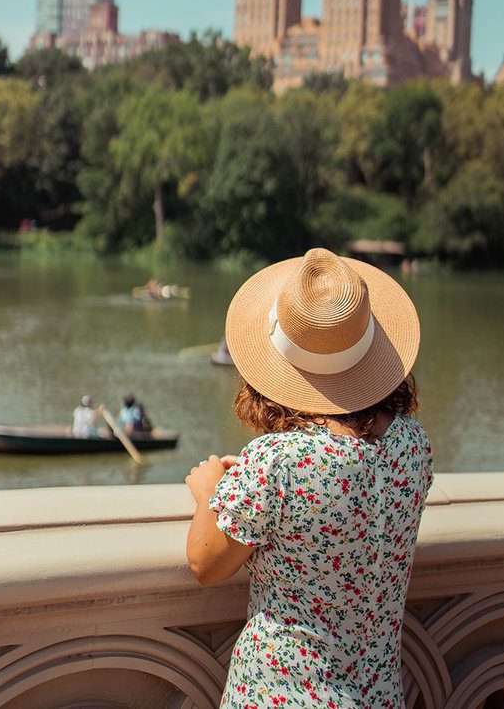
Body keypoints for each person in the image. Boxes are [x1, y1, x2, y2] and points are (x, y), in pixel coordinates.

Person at [185, 247, 433, 708]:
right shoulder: (411, 443)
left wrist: (209, 492)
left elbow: (206, 564)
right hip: (379, 695)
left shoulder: (277, 460)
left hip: (283, 695)